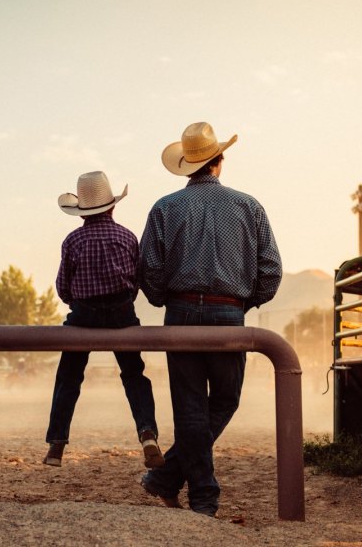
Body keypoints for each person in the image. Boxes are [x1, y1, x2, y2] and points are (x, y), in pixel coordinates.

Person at [138, 121, 282, 517]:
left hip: (181, 311)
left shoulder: (165, 208)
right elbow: (270, 270)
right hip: (228, 313)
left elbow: (148, 267)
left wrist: (163, 299)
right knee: (226, 399)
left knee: (189, 408)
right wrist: (241, 304)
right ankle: (199, 495)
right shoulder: (248, 206)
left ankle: (176, 483)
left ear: (188, 165)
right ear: (220, 161)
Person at [43, 170, 164, 470]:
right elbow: (136, 281)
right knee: (134, 375)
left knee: (68, 377)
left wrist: (81, 302)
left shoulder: (72, 241)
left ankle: (57, 444)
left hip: (84, 315)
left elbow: (63, 288)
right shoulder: (127, 237)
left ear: (82, 211)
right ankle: (147, 433)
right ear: (112, 206)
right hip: (122, 314)